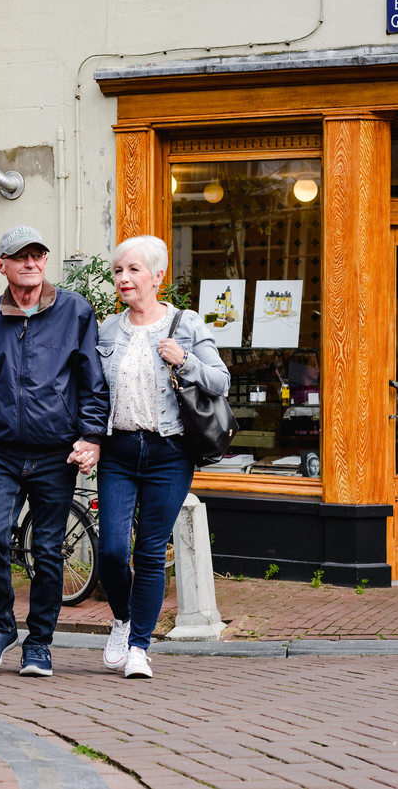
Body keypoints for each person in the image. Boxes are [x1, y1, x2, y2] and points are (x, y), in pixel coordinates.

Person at [0, 224, 108, 677]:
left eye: (38, 255)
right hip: (1, 453)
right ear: (2, 266)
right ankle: (0, 628)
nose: (31, 263)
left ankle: (39, 642)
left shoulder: (75, 312)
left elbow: (92, 384)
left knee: (47, 549)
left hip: (55, 454)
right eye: (21, 257)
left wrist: (91, 436)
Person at [96, 234, 230, 678]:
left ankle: (139, 646)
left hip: (169, 451)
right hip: (118, 451)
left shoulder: (185, 324)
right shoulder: (108, 330)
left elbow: (220, 381)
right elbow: (94, 393)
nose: (124, 279)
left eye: (133, 270)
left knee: (150, 551)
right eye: (118, 271)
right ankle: (121, 619)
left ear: (157, 276)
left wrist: (185, 360)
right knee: (114, 551)